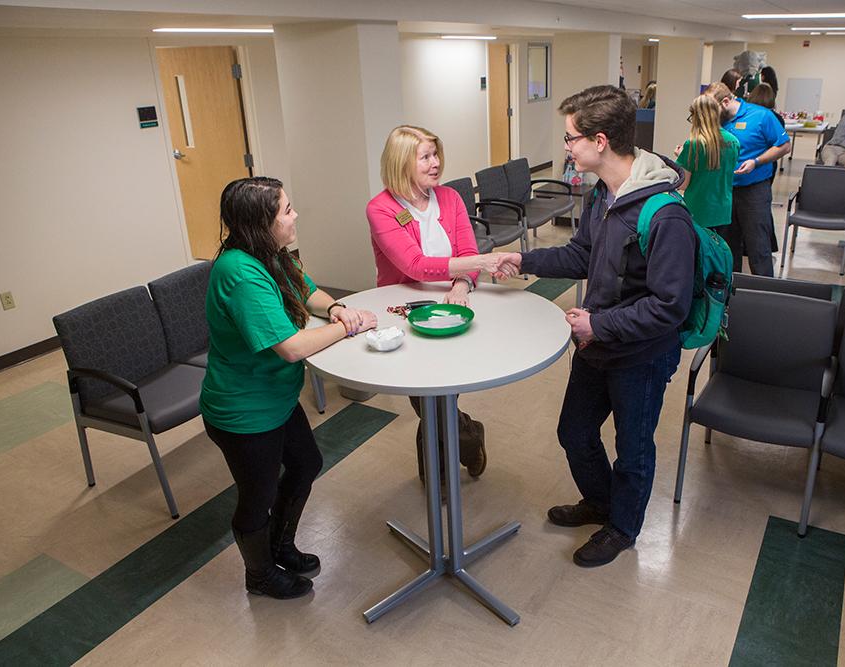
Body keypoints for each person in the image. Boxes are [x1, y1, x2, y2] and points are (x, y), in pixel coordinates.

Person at [491, 85, 696, 568]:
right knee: (575, 432)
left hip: (640, 354)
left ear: (599, 140)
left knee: (633, 448)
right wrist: (521, 257)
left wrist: (598, 323)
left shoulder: (665, 215)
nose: (565, 147)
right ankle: (601, 503)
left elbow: (671, 305)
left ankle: (622, 528)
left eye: (570, 138)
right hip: (598, 341)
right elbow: (582, 254)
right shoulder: (603, 194)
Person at [201, 177, 378, 599]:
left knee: (305, 464)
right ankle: (259, 575)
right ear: (262, 223)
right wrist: (346, 326)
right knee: (256, 496)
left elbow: (309, 291)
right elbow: (292, 347)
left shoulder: (271, 255)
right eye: (287, 211)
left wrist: (336, 307)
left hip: (275, 398)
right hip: (243, 411)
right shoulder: (240, 273)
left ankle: (280, 546)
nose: (295, 216)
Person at [366, 125, 500, 485]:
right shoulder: (381, 209)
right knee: (425, 398)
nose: (435, 163)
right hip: (404, 313)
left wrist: (462, 282)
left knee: (441, 395)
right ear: (401, 162)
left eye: (436, 154)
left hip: (451, 309)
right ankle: (468, 440)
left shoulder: (451, 198)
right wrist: (480, 266)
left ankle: (435, 482)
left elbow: (468, 252)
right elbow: (414, 265)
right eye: (425, 156)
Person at [705, 81, 791, 276]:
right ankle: (729, 296)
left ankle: (765, 296)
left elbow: (784, 146)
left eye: (714, 109)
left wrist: (757, 161)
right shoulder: (718, 121)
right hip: (725, 191)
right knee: (727, 247)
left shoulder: (761, 116)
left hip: (754, 191)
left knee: (758, 247)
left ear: (725, 101)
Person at [675, 94, 740, 232]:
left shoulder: (693, 144)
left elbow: (683, 184)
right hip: (723, 210)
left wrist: (681, 157)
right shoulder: (734, 141)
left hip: (698, 211)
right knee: (717, 251)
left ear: (697, 117)